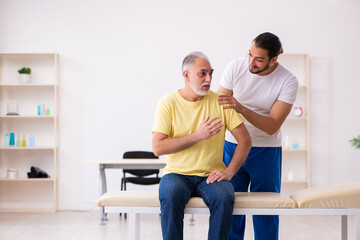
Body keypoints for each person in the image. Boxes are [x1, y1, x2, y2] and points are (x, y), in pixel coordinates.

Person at [152, 51, 252, 240]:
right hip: (177, 174)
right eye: (202, 73)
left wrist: (229, 172)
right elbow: (158, 148)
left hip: (211, 175)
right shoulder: (168, 103)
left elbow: (245, 141)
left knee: (224, 197)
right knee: (171, 194)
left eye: (211, 73)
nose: (209, 79)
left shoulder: (220, 102)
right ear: (186, 75)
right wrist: (198, 136)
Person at [218, 32, 299, 240]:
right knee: (231, 208)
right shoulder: (235, 67)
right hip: (233, 146)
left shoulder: (288, 81)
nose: (251, 62)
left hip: (267, 151)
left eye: (259, 59)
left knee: (266, 212)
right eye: (250, 55)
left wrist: (241, 108)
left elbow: (272, 125)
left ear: (274, 59)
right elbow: (220, 106)